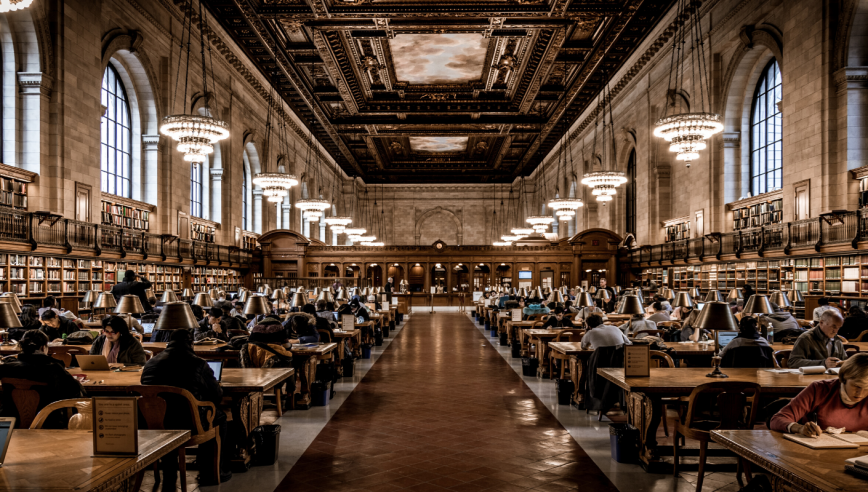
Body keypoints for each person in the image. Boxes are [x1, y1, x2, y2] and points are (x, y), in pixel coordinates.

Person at [140, 329, 231, 489]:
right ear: (191, 343)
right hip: (189, 423)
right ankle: (210, 472)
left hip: (155, 423)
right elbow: (216, 396)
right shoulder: (198, 363)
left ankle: (169, 474)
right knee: (220, 418)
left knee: (171, 416)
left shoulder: (151, 363)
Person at [0, 330, 84, 427]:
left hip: (11, 424)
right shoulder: (53, 368)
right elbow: (74, 392)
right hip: (48, 423)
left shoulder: (6, 367)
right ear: (43, 347)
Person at [771, 353, 868, 436]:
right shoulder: (819, 389)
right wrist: (799, 428)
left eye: (867, 388)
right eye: (856, 386)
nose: (861, 393)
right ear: (844, 377)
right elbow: (777, 419)